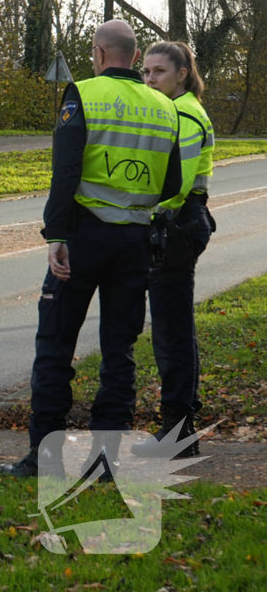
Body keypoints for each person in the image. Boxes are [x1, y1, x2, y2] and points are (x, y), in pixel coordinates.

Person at [0, 20, 183, 478]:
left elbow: (65, 170)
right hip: (134, 241)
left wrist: (56, 235)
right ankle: (105, 462)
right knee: (119, 351)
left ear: (99, 53)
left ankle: (46, 459)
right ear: (135, 57)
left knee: (55, 345)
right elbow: (172, 183)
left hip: (83, 237)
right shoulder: (165, 106)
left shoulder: (83, 94)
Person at [131, 42, 215, 459]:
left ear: (182, 74)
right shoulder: (176, 110)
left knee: (172, 331)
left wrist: (141, 214)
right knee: (173, 327)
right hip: (178, 222)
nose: (149, 79)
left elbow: (177, 184)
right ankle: (180, 429)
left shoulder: (183, 113)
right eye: (145, 72)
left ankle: (179, 432)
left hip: (176, 223)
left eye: (159, 72)